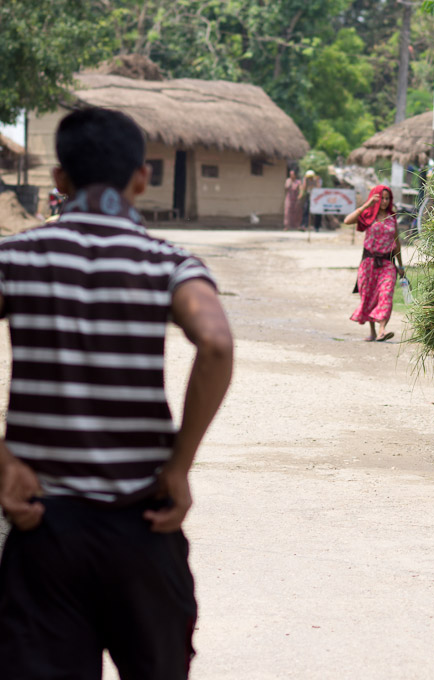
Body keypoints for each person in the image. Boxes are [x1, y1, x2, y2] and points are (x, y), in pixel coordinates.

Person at [0, 107, 234, 679]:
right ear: (141, 177)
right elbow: (217, 345)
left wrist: (3, 460)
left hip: (43, 530)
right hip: (143, 526)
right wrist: (180, 465)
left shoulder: (14, 259)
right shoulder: (168, 263)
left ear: (60, 181)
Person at [344, 184, 404, 342]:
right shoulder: (368, 215)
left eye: (387, 198)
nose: (384, 201)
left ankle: (382, 329)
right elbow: (347, 220)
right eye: (381, 198)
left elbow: (396, 243)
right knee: (369, 297)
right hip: (368, 263)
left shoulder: (392, 217)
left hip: (387, 264)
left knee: (386, 295)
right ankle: (372, 332)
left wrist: (401, 265)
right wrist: (367, 205)